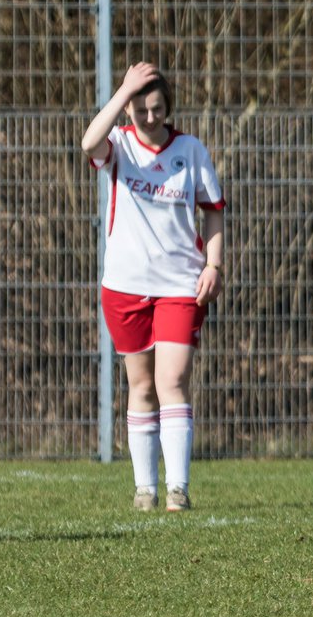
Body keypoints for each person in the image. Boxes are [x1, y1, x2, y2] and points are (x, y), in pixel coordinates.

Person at [82, 62, 226, 512]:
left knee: (172, 380)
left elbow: (214, 210)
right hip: (124, 286)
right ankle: (145, 489)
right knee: (140, 385)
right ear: (130, 109)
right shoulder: (120, 144)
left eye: (157, 109)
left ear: (168, 109)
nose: (149, 118)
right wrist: (123, 89)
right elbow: (89, 142)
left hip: (180, 285)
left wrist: (214, 265)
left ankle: (178, 489)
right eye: (140, 109)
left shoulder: (191, 150)